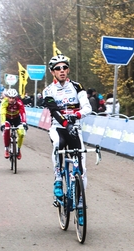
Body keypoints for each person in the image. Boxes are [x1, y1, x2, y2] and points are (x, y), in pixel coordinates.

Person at [42, 54, 92, 207]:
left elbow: (88, 108)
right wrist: (65, 122)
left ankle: (80, 202)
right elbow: (54, 111)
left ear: (68, 70)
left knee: (82, 166)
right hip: (58, 128)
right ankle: (58, 179)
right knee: (58, 143)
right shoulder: (48, 90)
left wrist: (76, 115)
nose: (61, 70)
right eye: (58, 68)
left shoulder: (77, 87)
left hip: (75, 128)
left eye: (64, 67)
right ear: (53, 72)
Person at [0, 88, 27, 160]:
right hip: (7, 119)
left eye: (13, 98)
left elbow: (22, 112)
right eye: (10, 98)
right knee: (6, 130)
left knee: (21, 134)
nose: (11, 99)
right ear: (7, 97)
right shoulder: (4, 102)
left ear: (16, 98)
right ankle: (6, 149)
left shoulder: (19, 102)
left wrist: (24, 122)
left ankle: (18, 150)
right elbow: (2, 112)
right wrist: (2, 124)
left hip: (16, 119)